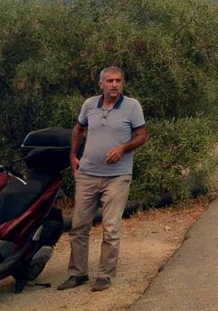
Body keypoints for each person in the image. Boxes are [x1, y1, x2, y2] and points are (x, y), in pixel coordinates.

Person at [59, 66, 147, 293]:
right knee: (78, 227)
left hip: (117, 177)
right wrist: (73, 157)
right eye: (109, 81)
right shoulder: (90, 105)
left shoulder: (132, 106)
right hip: (87, 174)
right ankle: (78, 273)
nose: (114, 85)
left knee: (110, 228)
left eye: (118, 80)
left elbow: (141, 136)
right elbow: (78, 129)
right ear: (101, 84)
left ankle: (105, 276)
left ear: (123, 83)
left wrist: (123, 148)